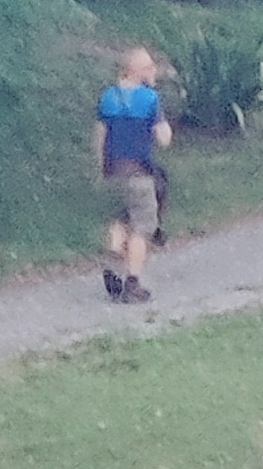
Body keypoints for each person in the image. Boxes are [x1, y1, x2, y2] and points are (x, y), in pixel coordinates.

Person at [95, 47, 172, 307]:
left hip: (114, 171)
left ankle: (113, 256)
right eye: (149, 67)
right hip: (139, 172)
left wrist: (100, 168)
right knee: (143, 226)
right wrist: (164, 127)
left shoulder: (108, 97)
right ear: (135, 71)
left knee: (123, 216)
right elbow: (163, 138)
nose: (153, 71)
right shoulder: (149, 99)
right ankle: (132, 284)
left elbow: (100, 135)